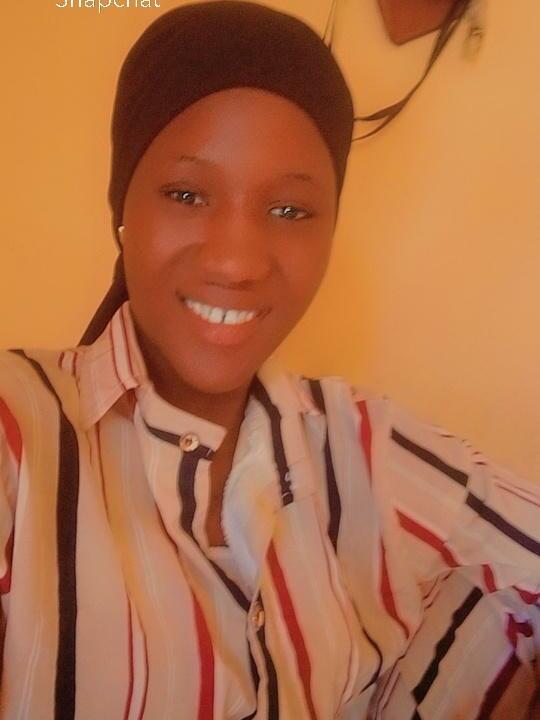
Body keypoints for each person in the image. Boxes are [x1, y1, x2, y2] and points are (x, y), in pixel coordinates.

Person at [0, 2, 538, 718]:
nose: (236, 261)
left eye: (290, 211)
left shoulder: (364, 444)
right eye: (186, 195)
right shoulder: (21, 436)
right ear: (122, 206)